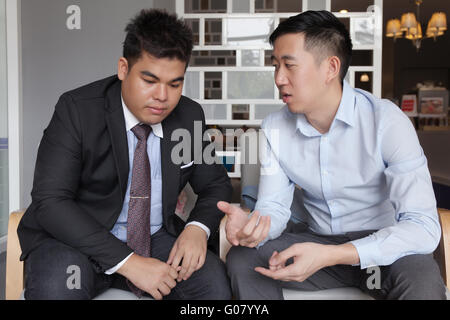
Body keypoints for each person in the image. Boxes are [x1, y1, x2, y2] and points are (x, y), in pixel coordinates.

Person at [219, 10, 447, 300]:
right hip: (316, 242)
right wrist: (255, 228)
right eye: (275, 65)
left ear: (331, 67)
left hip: (384, 249)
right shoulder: (275, 127)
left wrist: (333, 254)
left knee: (422, 280)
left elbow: (423, 227)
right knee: (243, 259)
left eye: (289, 65)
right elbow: (274, 208)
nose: (278, 78)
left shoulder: (387, 122)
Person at [18, 9, 232, 300]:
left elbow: (215, 184)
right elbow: (50, 202)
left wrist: (197, 228)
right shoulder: (77, 110)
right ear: (123, 69)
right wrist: (130, 263)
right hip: (74, 240)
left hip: (156, 238)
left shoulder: (188, 116)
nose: (162, 97)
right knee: (58, 289)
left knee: (213, 286)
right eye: (149, 80)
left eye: (175, 84)